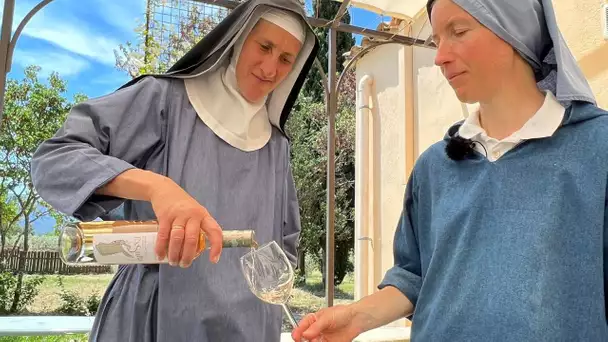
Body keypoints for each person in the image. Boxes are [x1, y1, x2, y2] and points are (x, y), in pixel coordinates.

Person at [292, 0, 608, 341]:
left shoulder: (597, 150)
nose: (440, 57)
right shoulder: (434, 166)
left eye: (458, 32)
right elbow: (415, 276)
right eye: (436, 40)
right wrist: (355, 317)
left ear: (515, 28)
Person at [30, 0, 319, 341]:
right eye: (264, 46)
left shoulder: (275, 145)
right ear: (238, 40)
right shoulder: (164, 101)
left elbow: (283, 247)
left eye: (286, 59)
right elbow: (54, 160)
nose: (271, 68)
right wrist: (156, 187)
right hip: (153, 322)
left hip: (249, 328)